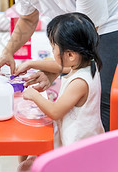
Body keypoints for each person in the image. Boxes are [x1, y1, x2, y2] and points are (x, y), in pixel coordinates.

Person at [0, 0, 118, 131]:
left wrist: (52, 69)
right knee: (70, 86)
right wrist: (7, 52)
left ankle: (102, 154)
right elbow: (27, 18)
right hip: (74, 24)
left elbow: (81, 48)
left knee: (98, 92)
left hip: (109, 22)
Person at [17, 12, 104, 171]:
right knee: (28, 161)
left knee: (26, 166)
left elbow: (55, 112)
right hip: (85, 141)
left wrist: (33, 94)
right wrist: (32, 64)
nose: (52, 51)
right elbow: (61, 67)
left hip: (79, 152)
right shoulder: (88, 65)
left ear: (70, 55)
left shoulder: (79, 82)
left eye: (53, 47)